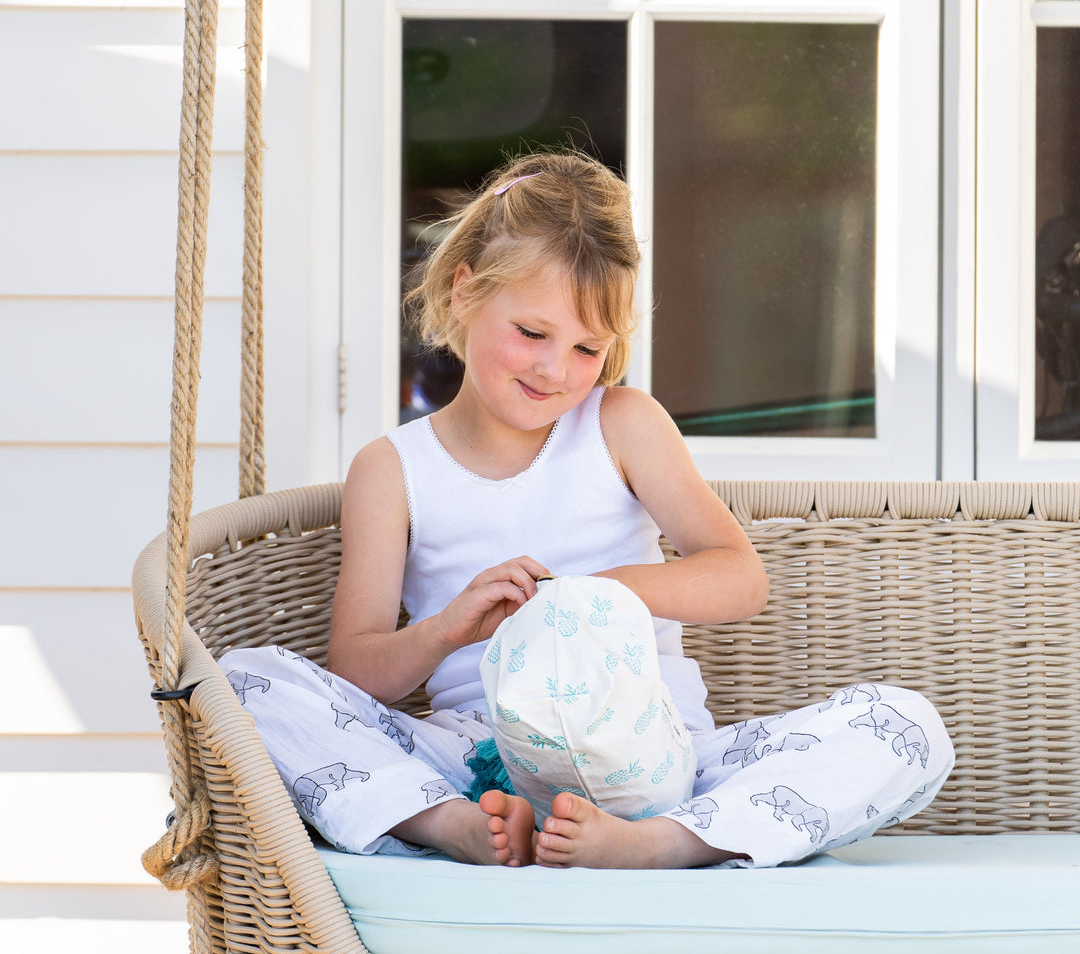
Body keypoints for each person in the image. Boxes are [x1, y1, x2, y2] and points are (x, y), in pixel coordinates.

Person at [219, 150, 953, 870]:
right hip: (478, 754)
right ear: (462, 295)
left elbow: (740, 579)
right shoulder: (393, 469)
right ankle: (454, 825)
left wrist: (598, 594)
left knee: (906, 727)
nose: (554, 370)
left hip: (655, 750)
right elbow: (356, 667)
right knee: (245, 681)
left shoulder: (622, 423)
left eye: (586, 349)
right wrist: (447, 629)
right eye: (532, 333)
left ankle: (660, 842)